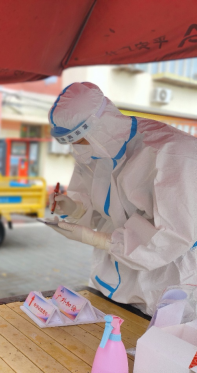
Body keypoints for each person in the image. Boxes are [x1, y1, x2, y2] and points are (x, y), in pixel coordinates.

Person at [47, 82, 197, 316]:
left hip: (166, 277)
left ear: (99, 126)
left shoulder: (174, 153)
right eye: (70, 144)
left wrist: (99, 240)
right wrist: (75, 208)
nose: (77, 150)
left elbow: (172, 236)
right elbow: (96, 204)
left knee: (154, 344)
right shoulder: (95, 150)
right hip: (112, 277)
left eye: (78, 141)